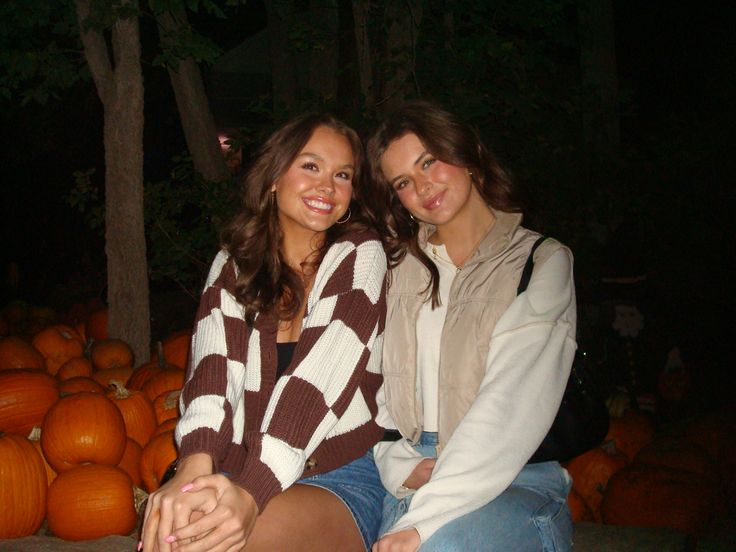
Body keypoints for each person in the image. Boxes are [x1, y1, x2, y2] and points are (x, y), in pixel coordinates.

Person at [141, 113, 389, 552]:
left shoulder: (360, 256)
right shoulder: (234, 263)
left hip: (335, 475)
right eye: (310, 166)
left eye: (342, 174)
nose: (326, 186)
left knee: (228, 542)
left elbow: (313, 391)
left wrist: (251, 492)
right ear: (274, 176)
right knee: (174, 533)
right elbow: (212, 370)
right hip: (237, 465)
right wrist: (194, 463)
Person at [366, 100, 577, 552]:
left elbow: (512, 403)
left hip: (516, 474)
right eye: (403, 181)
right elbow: (376, 382)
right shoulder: (396, 268)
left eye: (429, 161)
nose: (422, 186)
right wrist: (396, 460)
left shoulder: (541, 262)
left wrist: (426, 515)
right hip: (414, 470)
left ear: (465, 153)